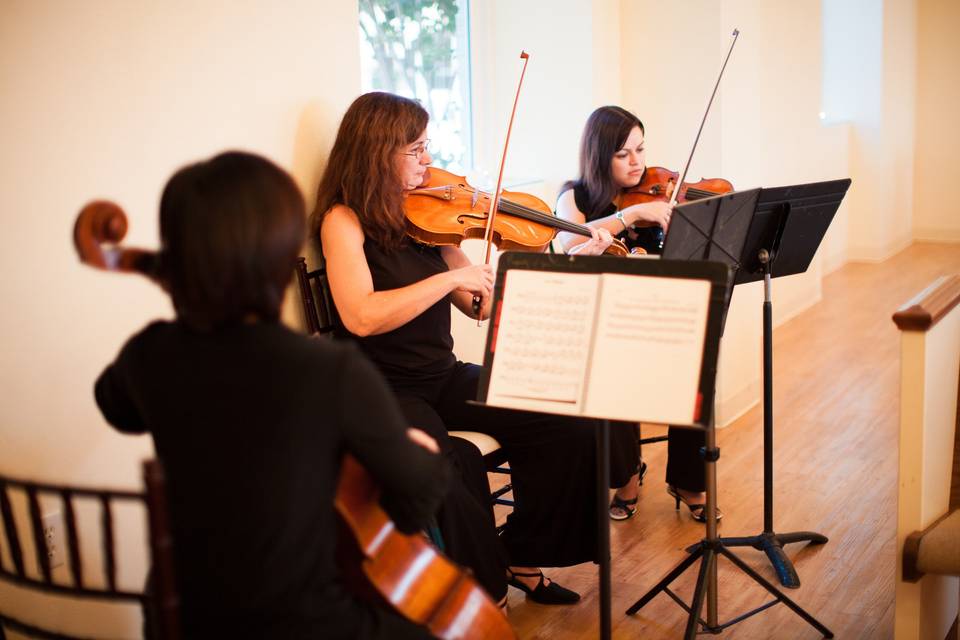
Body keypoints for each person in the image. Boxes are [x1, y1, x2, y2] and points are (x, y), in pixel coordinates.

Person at [95, 151, 449, 639]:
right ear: (283, 258)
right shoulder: (329, 371)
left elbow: (116, 407)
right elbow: (416, 502)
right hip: (301, 624)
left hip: (180, 620)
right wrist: (422, 459)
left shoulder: (150, 353)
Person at [314, 91, 638, 606]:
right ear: (378, 152)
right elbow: (362, 315)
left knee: (566, 418)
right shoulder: (344, 221)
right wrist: (451, 281)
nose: (428, 161)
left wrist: (484, 284)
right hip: (383, 390)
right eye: (415, 150)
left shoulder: (427, 214)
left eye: (426, 147)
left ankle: (522, 551)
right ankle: (481, 592)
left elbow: (472, 305)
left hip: (440, 375)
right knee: (455, 460)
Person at [555, 105, 720, 523]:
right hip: (600, 323)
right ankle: (627, 474)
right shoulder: (574, 197)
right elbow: (565, 248)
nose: (637, 163)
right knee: (607, 366)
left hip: (656, 314)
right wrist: (630, 215)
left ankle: (688, 479)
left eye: (641, 150)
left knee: (697, 354)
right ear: (599, 154)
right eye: (623, 154)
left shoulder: (659, 195)